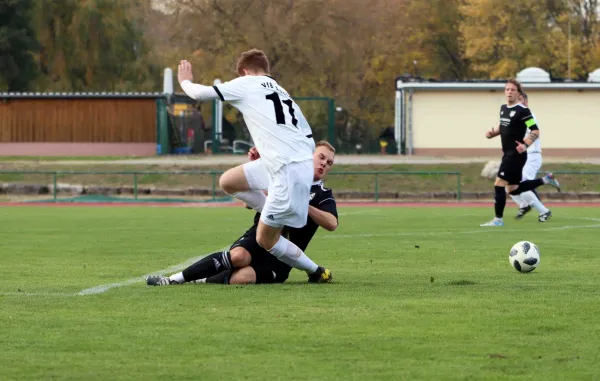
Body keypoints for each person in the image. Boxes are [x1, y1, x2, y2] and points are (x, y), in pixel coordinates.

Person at [176, 49, 331, 282]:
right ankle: (269, 208)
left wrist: (184, 81)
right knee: (228, 181)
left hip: (284, 169)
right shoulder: (284, 93)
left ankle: (316, 272)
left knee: (265, 239)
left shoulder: (247, 83)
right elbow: (307, 137)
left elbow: (198, 93)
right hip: (290, 165)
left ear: (245, 71)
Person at [146, 141, 338, 286]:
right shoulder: (283, 177)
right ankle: (173, 280)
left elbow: (331, 223)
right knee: (238, 257)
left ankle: (202, 280)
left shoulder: (323, 194)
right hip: (258, 238)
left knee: (243, 277)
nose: (324, 164)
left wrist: (302, 204)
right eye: (321, 157)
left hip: (282, 260)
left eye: (329, 163)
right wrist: (257, 170)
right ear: (308, 155)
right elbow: (252, 204)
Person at [480, 79, 561, 227]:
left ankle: (498, 220)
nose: (509, 92)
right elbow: (503, 126)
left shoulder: (523, 111)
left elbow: (535, 130)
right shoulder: (503, 108)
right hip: (507, 154)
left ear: (518, 94)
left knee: (498, 184)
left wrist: (525, 144)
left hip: (515, 155)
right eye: (507, 89)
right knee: (513, 189)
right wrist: (493, 133)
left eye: (513, 90)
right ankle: (545, 180)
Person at [510, 91, 552, 222]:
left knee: (522, 184)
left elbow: (534, 133)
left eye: (520, 100)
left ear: (526, 102)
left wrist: (524, 144)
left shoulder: (528, 116)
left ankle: (544, 211)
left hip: (532, 155)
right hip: (522, 156)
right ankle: (524, 205)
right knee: (508, 182)